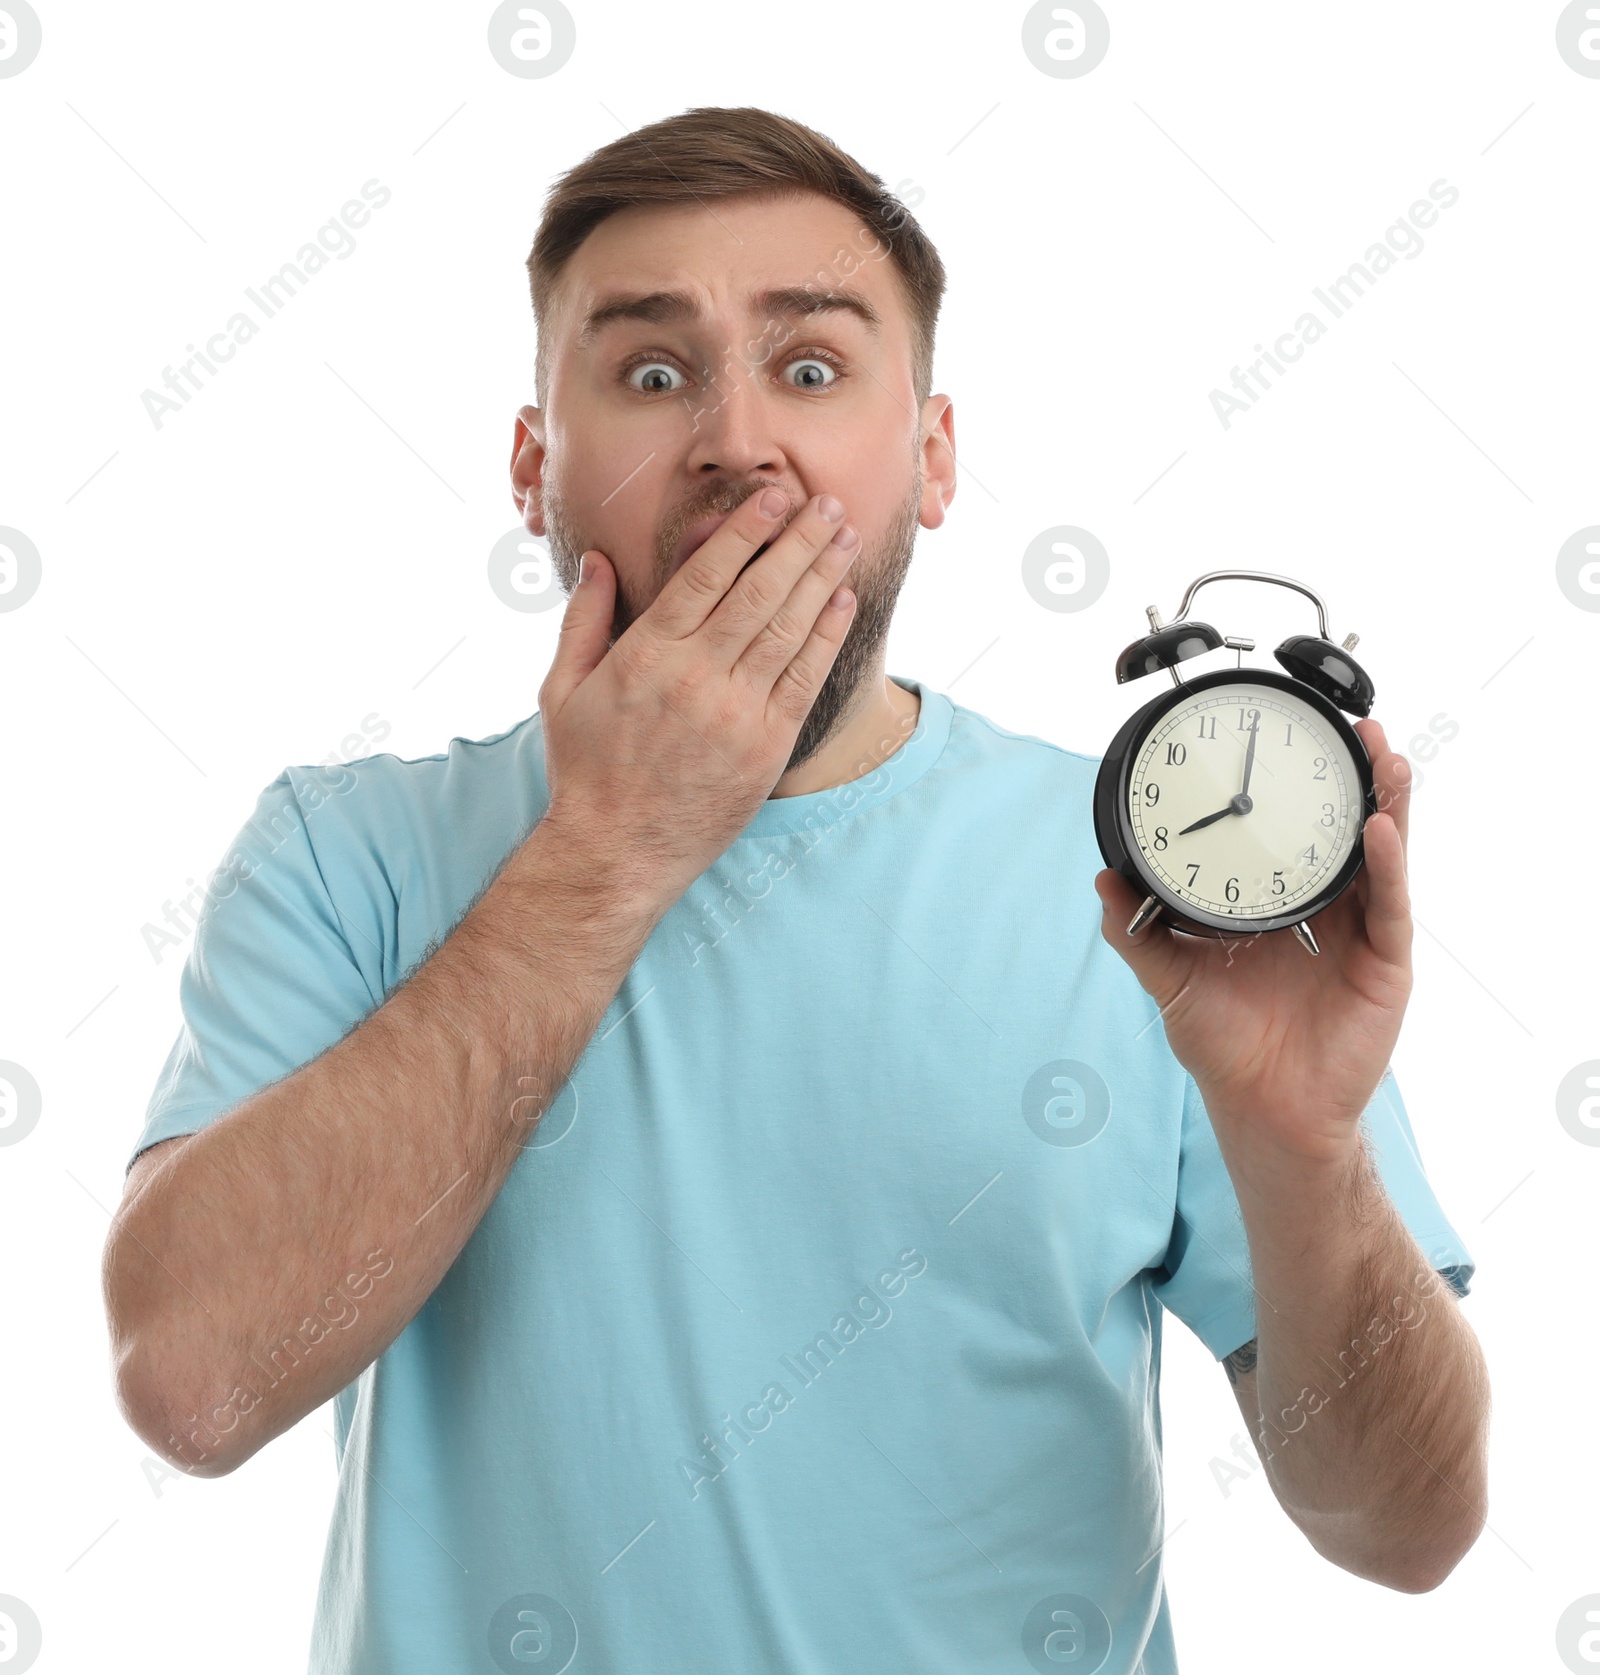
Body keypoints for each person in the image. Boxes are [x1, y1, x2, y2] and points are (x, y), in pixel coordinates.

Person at [103, 106, 1490, 1675]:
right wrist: (610, 848)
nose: (735, 443)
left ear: (936, 457)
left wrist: (1303, 1151)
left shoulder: (1149, 895)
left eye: (814, 369)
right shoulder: (342, 857)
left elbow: (1409, 1535)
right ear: (532, 463)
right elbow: (196, 1388)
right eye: (648, 372)